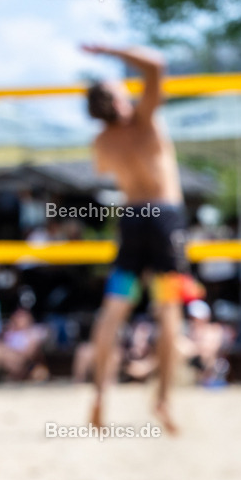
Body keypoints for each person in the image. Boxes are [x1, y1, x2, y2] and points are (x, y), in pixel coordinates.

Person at [81, 43, 187, 433]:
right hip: (163, 219)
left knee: (113, 309)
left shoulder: (102, 142)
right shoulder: (144, 121)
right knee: (168, 309)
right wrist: (107, 49)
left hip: (131, 219)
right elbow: (157, 64)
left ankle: (99, 395)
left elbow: (105, 169)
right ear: (117, 101)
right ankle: (161, 400)